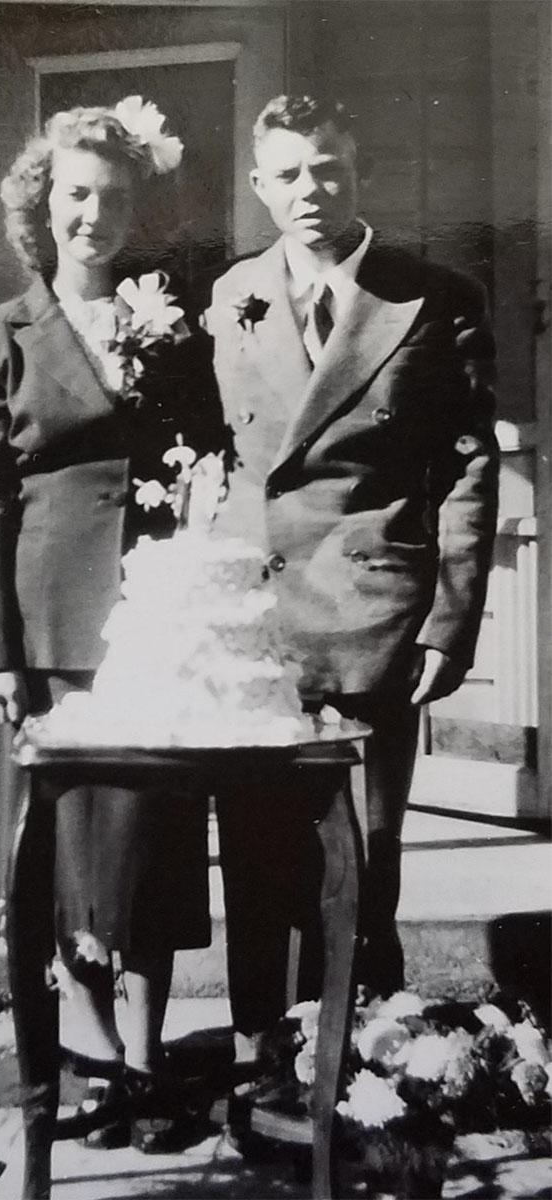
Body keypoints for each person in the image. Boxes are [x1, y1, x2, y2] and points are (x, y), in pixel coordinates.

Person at [204, 93, 499, 1140]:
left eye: (326, 169)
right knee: (256, 854)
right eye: (286, 174)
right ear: (258, 184)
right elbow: (224, 465)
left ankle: (365, 1063)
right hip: (258, 625)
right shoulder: (233, 295)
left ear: (357, 170)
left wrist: (450, 620)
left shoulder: (430, 297)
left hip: (375, 612)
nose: (308, 192)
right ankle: (263, 1064)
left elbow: (467, 464)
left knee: (362, 856)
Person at [0, 100, 218, 1151]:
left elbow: (207, 463)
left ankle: (145, 1066)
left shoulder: (176, 326)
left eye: (113, 196)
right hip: (47, 637)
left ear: (134, 209)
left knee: (149, 854)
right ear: (40, 204)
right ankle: (93, 1060)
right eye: (74, 194)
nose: (93, 215)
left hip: (155, 630)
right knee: (56, 866)